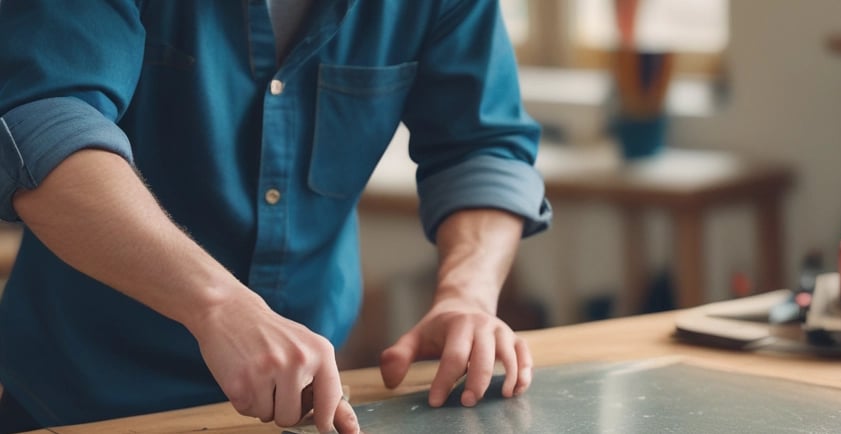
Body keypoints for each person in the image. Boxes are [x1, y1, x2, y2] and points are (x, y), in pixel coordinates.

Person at [0, 1, 551, 433]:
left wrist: (466, 296)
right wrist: (216, 306)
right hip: (86, 404)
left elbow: (482, 146)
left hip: (307, 411)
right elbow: (40, 128)